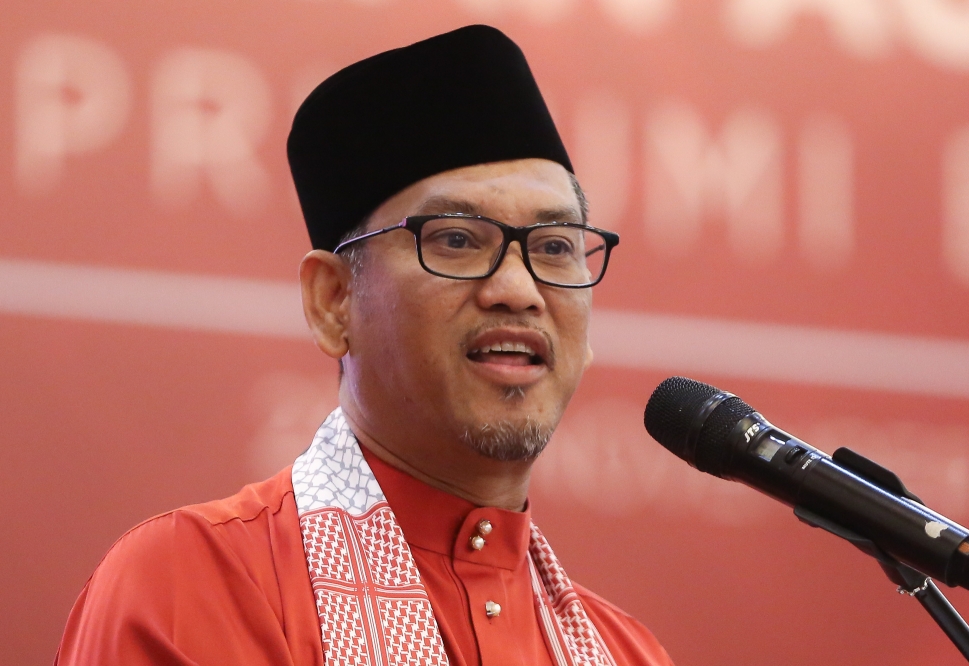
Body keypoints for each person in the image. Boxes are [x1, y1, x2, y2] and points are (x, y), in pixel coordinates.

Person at [54, 25, 674, 666]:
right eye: (457, 239)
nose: (518, 289)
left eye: (553, 248)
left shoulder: (628, 653)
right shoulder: (192, 589)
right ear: (332, 301)